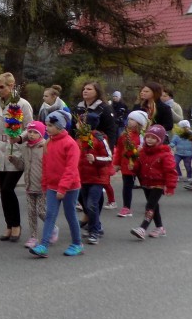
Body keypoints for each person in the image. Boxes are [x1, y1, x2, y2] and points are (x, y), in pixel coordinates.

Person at [0, 72, 34, 243]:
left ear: (11, 86)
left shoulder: (22, 104)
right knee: (3, 190)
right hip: (1, 150)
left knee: (7, 188)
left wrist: (19, 138)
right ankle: (9, 225)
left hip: (16, 149)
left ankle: (16, 225)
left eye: (1, 86)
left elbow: (30, 127)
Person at [30, 111, 84, 258]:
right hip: (53, 187)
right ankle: (43, 245)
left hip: (70, 187)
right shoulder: (49, 143)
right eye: (47, 125)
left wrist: (63, 187)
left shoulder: (70, 144)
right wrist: (45, 184)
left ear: (60, 126)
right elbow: (46, 166)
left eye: (51, 125)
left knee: (70, 214)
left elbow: (71, 168)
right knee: (50, 215)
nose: (47, 128)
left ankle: (77, 243)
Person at [130, 124, 177, 240]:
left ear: (159, 140)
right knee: (154, 205)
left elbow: (170, 171)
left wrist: (170, 187)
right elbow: (138, 167)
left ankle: (143, 228)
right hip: (146, 182)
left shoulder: (165, 154)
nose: (150, 140)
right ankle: (160, 227)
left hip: (158, 183)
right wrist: (133, 164)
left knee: (150, 205)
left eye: (153, 138)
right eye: (148, 137)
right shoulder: (142, 152)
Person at [76, 109, 112, 246]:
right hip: (83, 177)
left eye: (80, 122)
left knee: (91, 204)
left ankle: (94, 231)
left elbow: (109, 158)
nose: (77, 125)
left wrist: (95, 158)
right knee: (87, 204)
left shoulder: (99, 139)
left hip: (97, 178)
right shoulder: (79, 139)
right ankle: (97, 225)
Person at [20, 120, 51, 250]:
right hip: (29, 185)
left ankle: (52, 227)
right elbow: (23, 165)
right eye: (30, 132)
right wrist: (15, 160)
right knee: (31, 212)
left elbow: (50, 165)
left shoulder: (45, 147)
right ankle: (33, 237)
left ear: (41, 134)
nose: (31, 134)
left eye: (35, 132)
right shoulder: (25, 147)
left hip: (42, 185)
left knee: (41, 211)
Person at [112, 110, 147, 219]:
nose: (129, 121)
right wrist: (116, 163)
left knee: (146, 186)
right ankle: (126, 207)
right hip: (127, 165)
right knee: (127, 186)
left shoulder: (144, 136)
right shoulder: (124, 135)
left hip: (141, 165)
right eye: (129, 119)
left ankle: (151, 205)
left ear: (139, 122)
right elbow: (119, 150)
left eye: (132, 119)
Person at [74, 80, 117, 148]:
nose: (85, 91)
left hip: (98, 146)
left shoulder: (104, 108)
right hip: (79, 145)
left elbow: (111, 131)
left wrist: (109, 150)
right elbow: (72, 129)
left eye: (89, 89)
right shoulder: (78, 108)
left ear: (97, 92)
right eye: (84, 89)